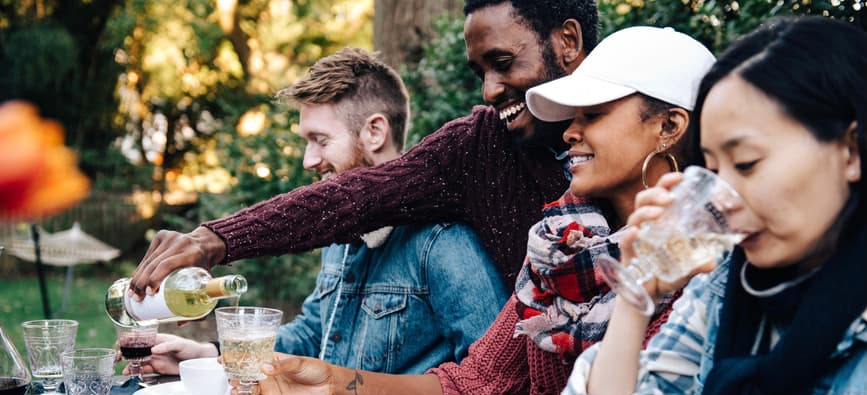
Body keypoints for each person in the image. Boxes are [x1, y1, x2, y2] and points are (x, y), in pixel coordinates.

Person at [253, 27, 716, 395]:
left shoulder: (711, 266)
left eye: (591, 115)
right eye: (571, 118)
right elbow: (475, 389)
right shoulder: (558, 245)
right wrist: (331, 381)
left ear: (668, 125)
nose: (569, 133)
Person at [132, 47, 508, 395]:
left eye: (321, 140)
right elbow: (315, 335)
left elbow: (496, 392)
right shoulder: (340, 236)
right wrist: (210, 357)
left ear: (375, 131)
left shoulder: (444, 242)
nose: (309, 161)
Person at [128, 0, 600, 299]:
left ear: (568, 41)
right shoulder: (477, 148)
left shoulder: (654, 129)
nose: (490, 91)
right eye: (480, 73)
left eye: (502, 63)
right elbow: (352, 197)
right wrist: (215, 239)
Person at [563, 16, 867, 395]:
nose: (724, 199)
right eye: (713, 169)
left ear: (851, 152)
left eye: (746, 163)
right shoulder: (727, 287)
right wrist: (636, 298)